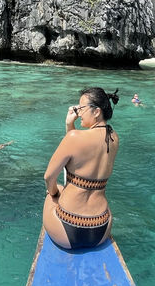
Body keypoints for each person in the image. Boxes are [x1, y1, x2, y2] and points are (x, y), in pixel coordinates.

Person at [43, 87, 120, 250]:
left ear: (96, 111)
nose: (78, 113)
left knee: (54, 189)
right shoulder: (114, 138)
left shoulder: (74, 138)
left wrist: (55, 194)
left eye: (81, 108)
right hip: (101, 228)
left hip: (67, 225)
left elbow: (49, 176)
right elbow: (79, 156)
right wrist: (70, 124)